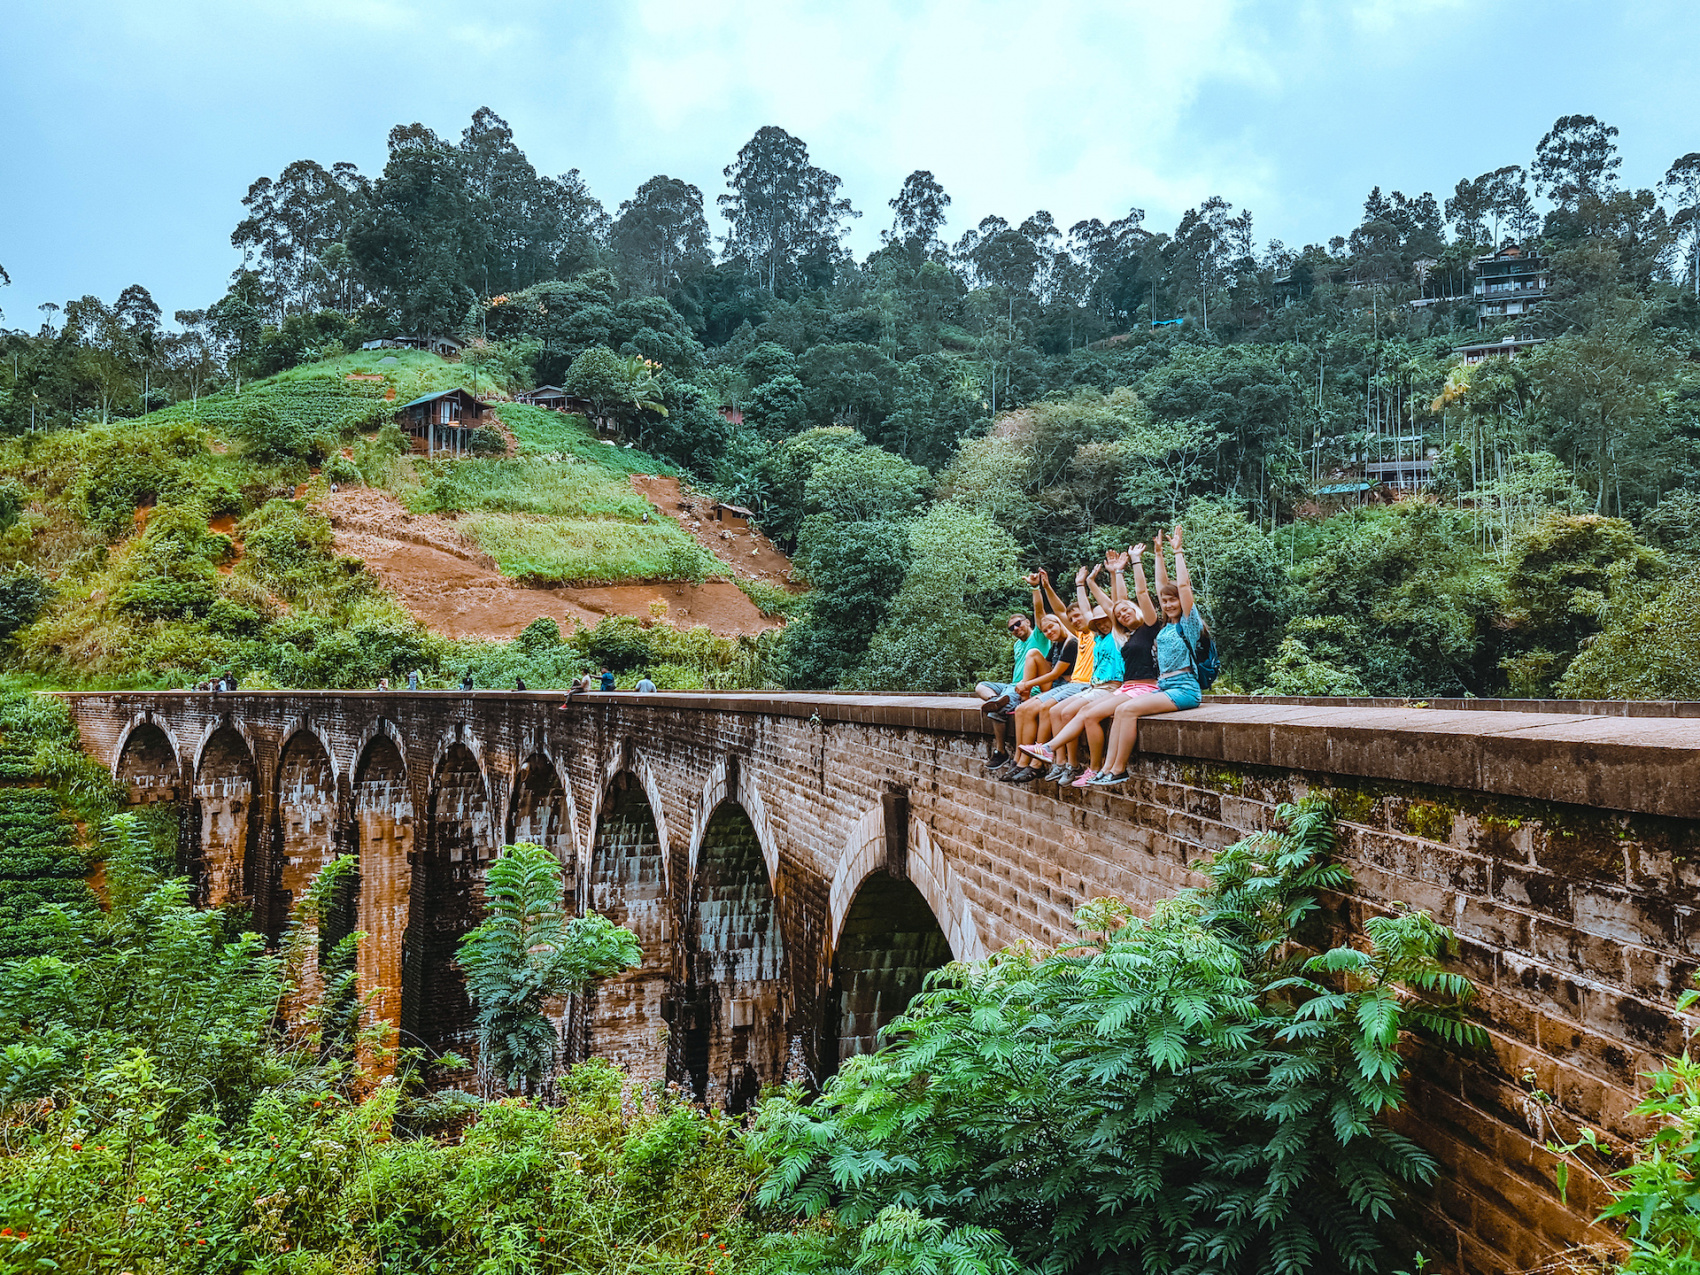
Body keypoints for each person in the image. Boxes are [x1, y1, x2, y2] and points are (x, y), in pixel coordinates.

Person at [1020, 541, 1163, 786]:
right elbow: (1101, 610)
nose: (1120, 615)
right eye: (1117, 615)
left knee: (1083, 714)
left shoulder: (1143, 629)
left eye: (1123, 613)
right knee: (1074, 713)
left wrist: (1120, 571)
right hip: (1117, 687)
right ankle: (1058, 755)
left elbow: (1126, 599)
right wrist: (1086, 584)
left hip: (1122, 686)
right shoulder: (1113, 634)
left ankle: (1080, 762)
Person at [1091, 525, 1208, 787]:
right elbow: (1155, 588)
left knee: (1128, 709)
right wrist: (1157, 555)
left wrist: (1177, 551)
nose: (1168, 604)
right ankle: (1108, 768)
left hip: (1185, 688)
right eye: (1165, 601)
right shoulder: (1165, 625)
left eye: (1173, 600)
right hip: (1165, 686)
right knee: (1120, 709)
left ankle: (1119, 768)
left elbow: (1184, 586)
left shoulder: (1188, 624)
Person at [976, 580, 1052, 768]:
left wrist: (1036, 588)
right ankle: (995, 699)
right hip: (1012, 685)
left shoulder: (1039, 637)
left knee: (996, 713)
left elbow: (1039, 611)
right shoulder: (1017, 645)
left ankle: (1000, 751)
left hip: (1027, 687)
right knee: (980, 686)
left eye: (1018, 624)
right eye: (1012, 629)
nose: (1016, 629)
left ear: (1027, 622)